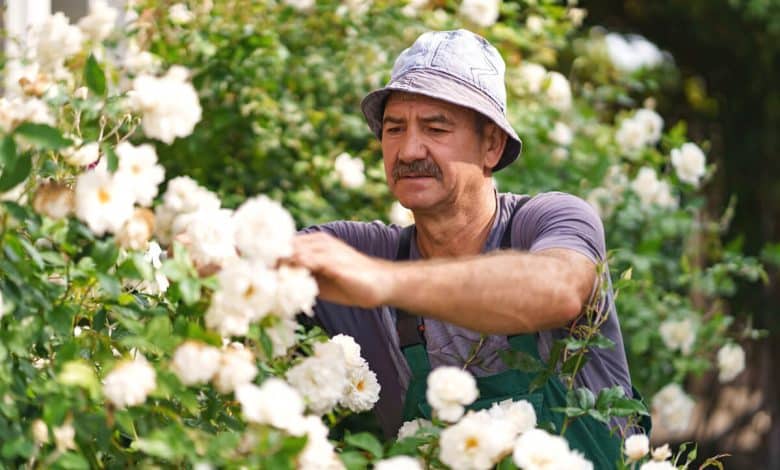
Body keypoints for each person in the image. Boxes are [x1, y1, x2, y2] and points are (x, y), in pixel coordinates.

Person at [293, 29, 641, 465]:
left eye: (436, 127)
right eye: (394, 128)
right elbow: (247, 256)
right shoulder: (364, 250)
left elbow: (559, 288)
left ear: (491, 145)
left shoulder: (549, 221)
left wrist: (381, 282)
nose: (409, 149)